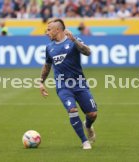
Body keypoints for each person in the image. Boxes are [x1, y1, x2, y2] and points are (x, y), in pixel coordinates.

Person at [39, 18, 97, 150]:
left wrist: (75, 41)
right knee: (72, 110)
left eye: (49, 30)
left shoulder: (72, 41)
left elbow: (88, 52)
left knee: (92, 114)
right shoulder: (49, 48)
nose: (46, 32)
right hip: (63, 86)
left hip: (79, 84)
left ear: (58, 30)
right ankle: (84, 142)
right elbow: (47, 66)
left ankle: (87, 126)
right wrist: (41, 82)